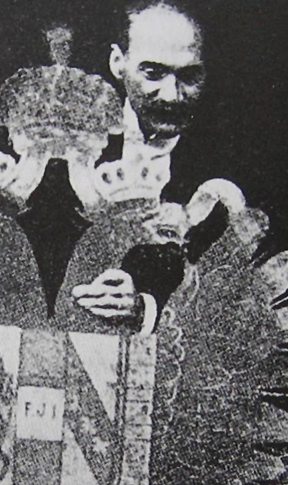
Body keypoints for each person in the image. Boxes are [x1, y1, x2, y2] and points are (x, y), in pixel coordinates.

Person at [72, 0, 227, 324]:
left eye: (189, 76)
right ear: (118, 62)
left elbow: (232, 295)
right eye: (153, 73)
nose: (172, 95)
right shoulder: (73, 148)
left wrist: (147, 311)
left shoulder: (227, 164)